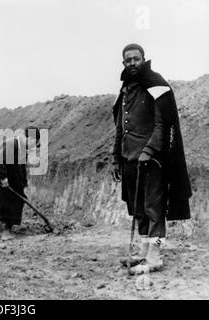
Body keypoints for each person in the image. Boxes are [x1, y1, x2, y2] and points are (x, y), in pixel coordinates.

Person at [111, 44, 192, 275]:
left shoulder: (156, 85)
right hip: (129, 159)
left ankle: (155, 256)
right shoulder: (126, 89)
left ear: (144, 59)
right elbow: (120, 128)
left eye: (136, 59)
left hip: (151, 160)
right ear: (124, 63)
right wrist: (116, 158)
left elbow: (162, 124)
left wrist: (149, 151)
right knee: (138, 209)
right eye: (128, 60)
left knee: (153, 209)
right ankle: (144, 253)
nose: (133, 63)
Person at [0, 127, 40, 243]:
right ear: (30, 139)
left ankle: (6, 232)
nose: (33, 147)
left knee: (16, 200)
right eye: (34, 144)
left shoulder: (21, 149)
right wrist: (3, 178)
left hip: (3, 176)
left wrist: (23, 184)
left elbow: (21, 169)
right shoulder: (12, 144)